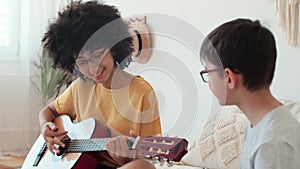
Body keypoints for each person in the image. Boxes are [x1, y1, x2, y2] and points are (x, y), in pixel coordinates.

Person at [39, 1, 161, 169]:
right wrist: (46, 126)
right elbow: (48, 111)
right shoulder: (80, 87)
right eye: (82, 62)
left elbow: (150, 156)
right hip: (80, 165)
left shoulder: (142, 92)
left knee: (142, 167)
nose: (92, 68)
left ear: (114, 48)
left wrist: (125, 160)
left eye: (97, 55)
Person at [199, 18, 300, 169]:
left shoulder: (273, 142)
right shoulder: (259, 124)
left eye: (208, 72)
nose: (209, 80)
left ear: (229, 78)